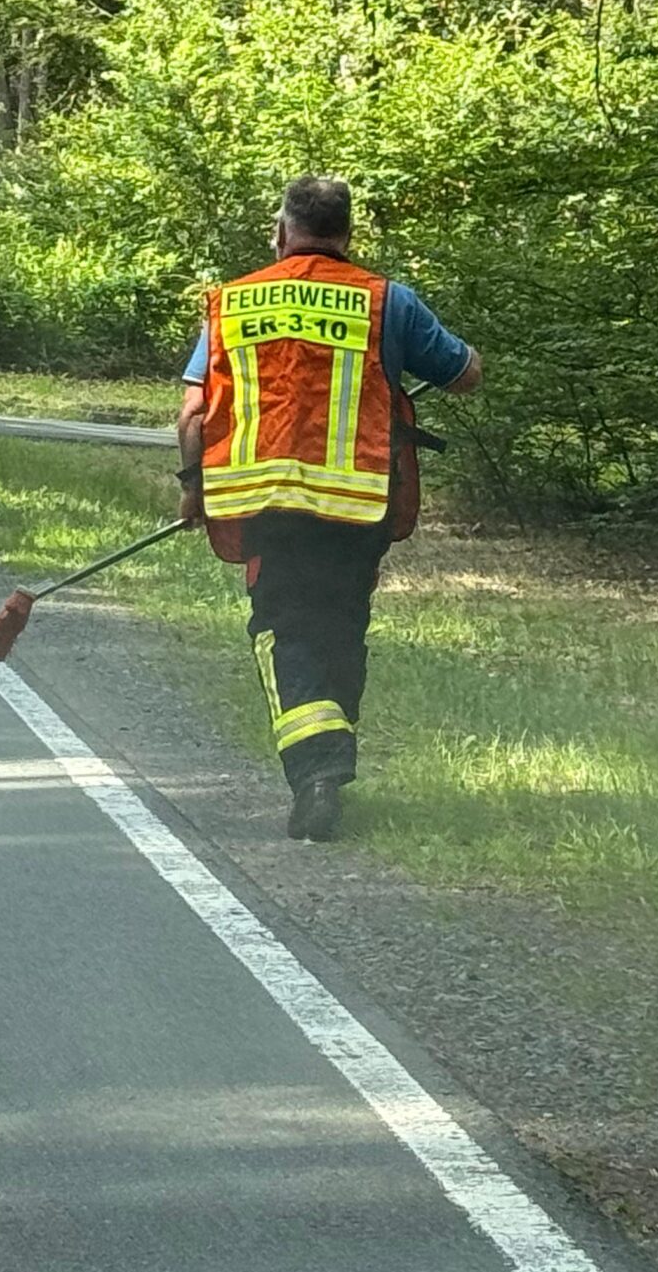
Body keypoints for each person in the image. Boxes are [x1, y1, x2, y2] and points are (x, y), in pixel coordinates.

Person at [176, 177, 482, 843]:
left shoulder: (233, 302)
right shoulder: (387, 302)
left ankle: (318, 770)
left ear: (282, 231)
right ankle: (332, 752)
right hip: (358, 501)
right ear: (347, 234)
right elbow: (464, 374)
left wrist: (193, 489)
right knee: (341, 623)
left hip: (264, 503)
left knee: (283, 629)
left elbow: (195, 414)